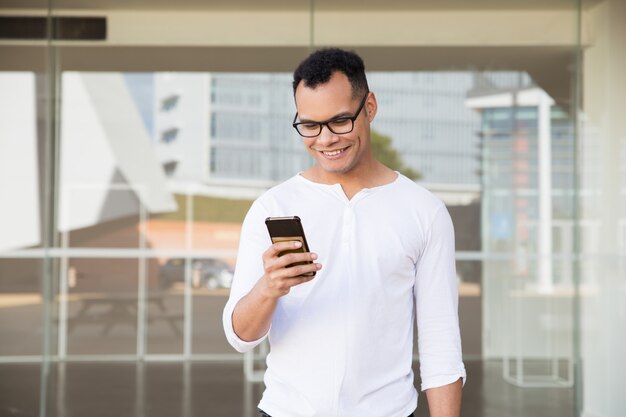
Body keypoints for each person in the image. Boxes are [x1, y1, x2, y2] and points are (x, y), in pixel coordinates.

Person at [223, 48, 466, 417]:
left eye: (339, 121)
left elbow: (441, 343)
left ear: (369, 107)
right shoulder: (272, 207)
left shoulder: (424, 211)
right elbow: (240, 337)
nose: (325, 140)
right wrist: (268, 289)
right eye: (309, 125)